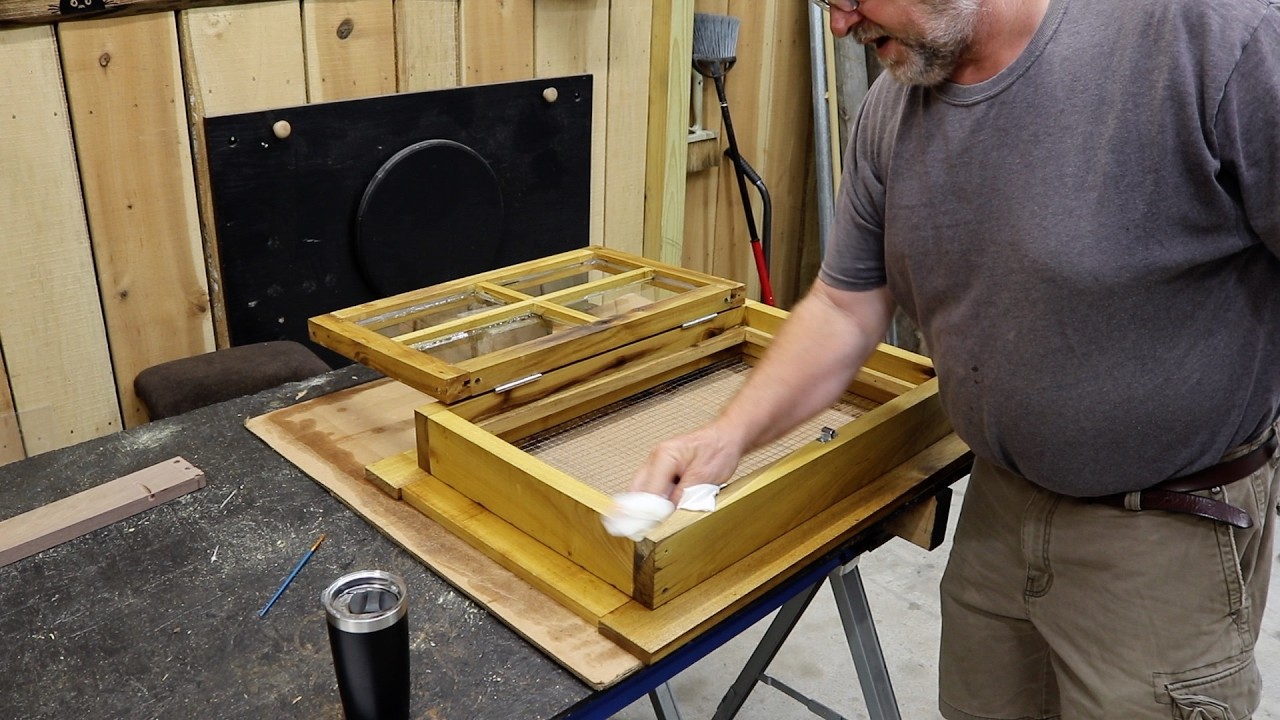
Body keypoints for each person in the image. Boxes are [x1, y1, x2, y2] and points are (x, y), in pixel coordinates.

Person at [620, 0, 1280, 717]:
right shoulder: (890, 110)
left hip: (1165, 532)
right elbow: (846, 307)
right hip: (998, 506)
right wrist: (727, 436)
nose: (839, 25)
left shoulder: (1209, 37)